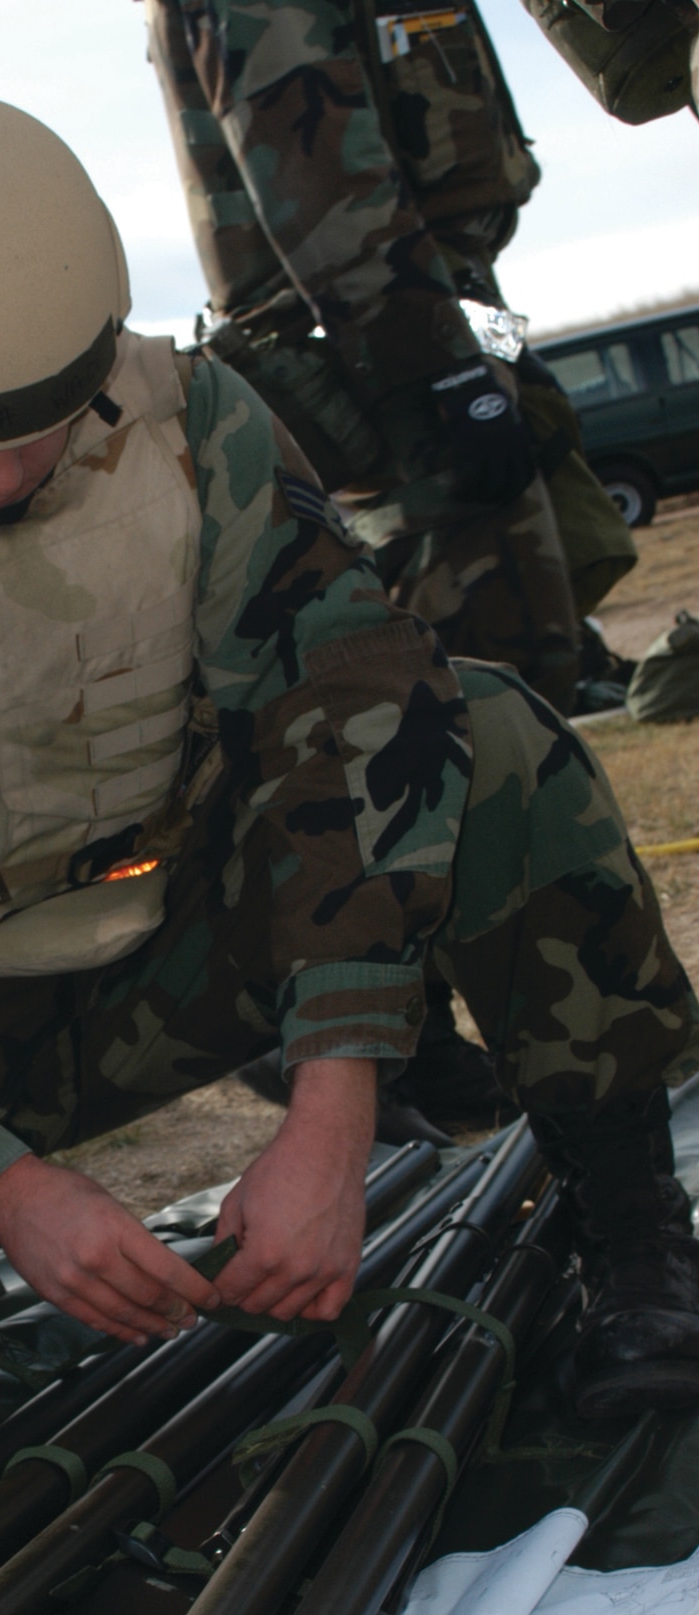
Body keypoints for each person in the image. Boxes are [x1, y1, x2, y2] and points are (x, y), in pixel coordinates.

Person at [0, 92, 699, 1423]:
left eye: (42, 427)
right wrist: (2, 1198)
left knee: (495, 734)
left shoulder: (194, 424)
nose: (3, 476)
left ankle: (631, 1217)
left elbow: (350, 704)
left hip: (175, 939)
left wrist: (335, 1097)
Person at [141, 0, 638, 1135]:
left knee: (522, 672)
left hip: (441, 315)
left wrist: (479, 354)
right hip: (379, 352)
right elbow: (323, 188)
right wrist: (440, 379)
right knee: (457, 712)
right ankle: (402, 1040)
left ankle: (439, 1037)